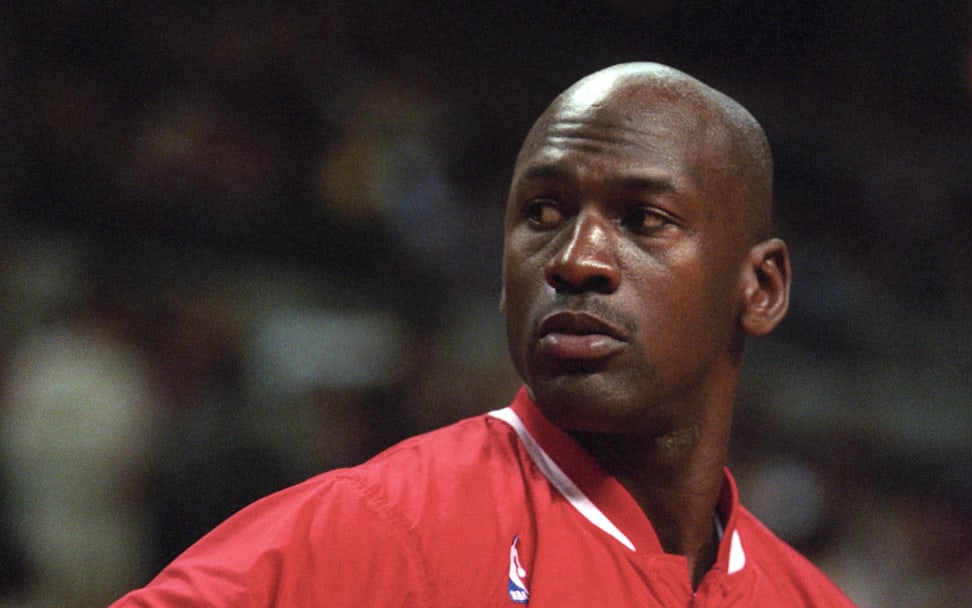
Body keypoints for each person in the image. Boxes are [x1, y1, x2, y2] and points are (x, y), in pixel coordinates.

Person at [111, 62, 856, 607]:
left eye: (643, 219)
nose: (575, 259)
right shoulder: (378, 533)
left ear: (760, 288)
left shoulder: (809, 597)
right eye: (542, 214)